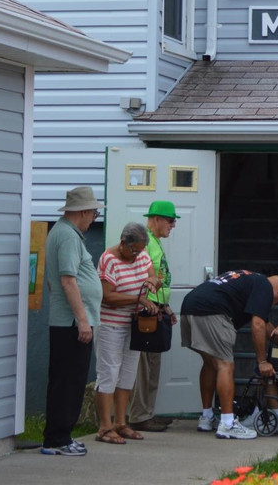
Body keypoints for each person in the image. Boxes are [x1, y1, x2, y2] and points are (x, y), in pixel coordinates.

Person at [181, 270, 278, 439]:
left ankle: (207, 418)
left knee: (210, 364)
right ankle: (228, 423)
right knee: (225, 364)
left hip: (189, 306)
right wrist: (262, 362)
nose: (274, 305)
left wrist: (277, 336)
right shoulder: (265, 286)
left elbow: (265, 323)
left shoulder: (249, 280)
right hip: (212, 310)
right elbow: (258, 324)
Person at [41, 186, 105, 456]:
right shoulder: (67, 236)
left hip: (68, 321)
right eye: (94, 213)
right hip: (71, 323)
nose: (94, 218)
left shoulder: (64, 233)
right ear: (83, 211)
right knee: (69, 381)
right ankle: (58, 439)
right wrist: (82, 320)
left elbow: (54, 282)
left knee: (65, 380)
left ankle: (58, 437)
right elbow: (67, 281)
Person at [94, 222, 159, 445]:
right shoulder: (108, 260)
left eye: (140, 250)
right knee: (109, 373)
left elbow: (153, 277)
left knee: (127, 374)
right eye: (134, 250)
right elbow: (107, 296)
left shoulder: (142, 254)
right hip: (110, 325)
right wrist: (138, 299)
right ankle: (105, 427)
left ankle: (121, 423)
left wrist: (153, 282)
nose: (137, 255)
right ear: (123, 243)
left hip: (134, 325)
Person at [128, 200, 180, 433]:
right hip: (145, 311)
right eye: (170, 220)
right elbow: (136, 276)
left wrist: (164, 306)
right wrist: (146, 302)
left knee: (153, 364)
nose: (173, 225)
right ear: (157, 219)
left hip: (157, 309)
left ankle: (147, 413)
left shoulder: (155, 242)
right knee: (143, 367)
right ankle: (139, 415)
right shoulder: (144, 242)